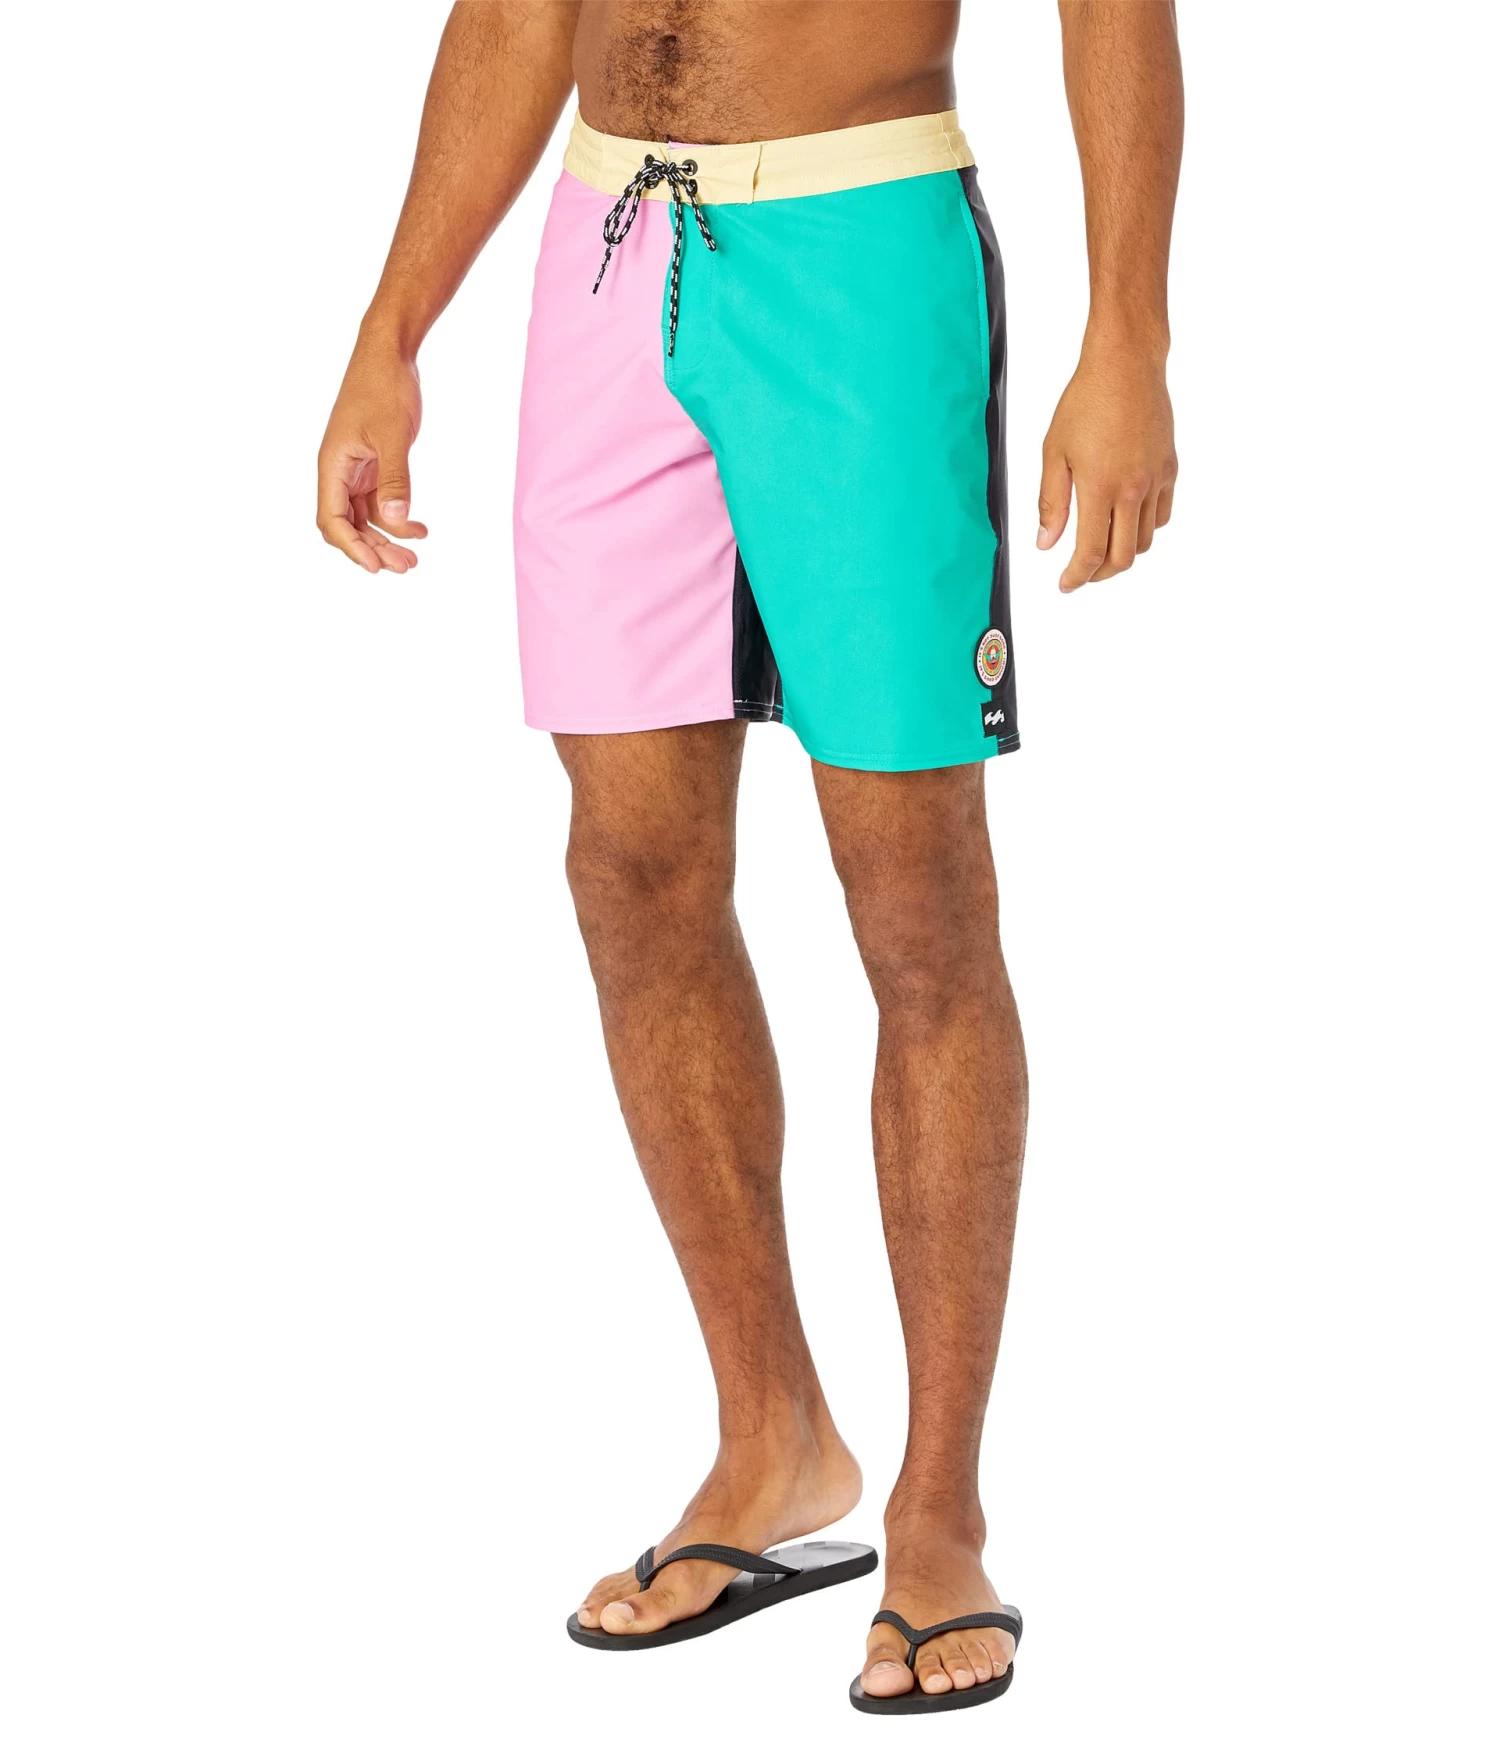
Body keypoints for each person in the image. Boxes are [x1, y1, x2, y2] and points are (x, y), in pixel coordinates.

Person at [316, 0, 1182, 1713]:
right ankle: (771, 1429)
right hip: (607, 249)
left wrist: (1129, 334)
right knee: (628, 871)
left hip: (859, 239)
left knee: (915, 895)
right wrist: (389, 326)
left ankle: (940, 1512)